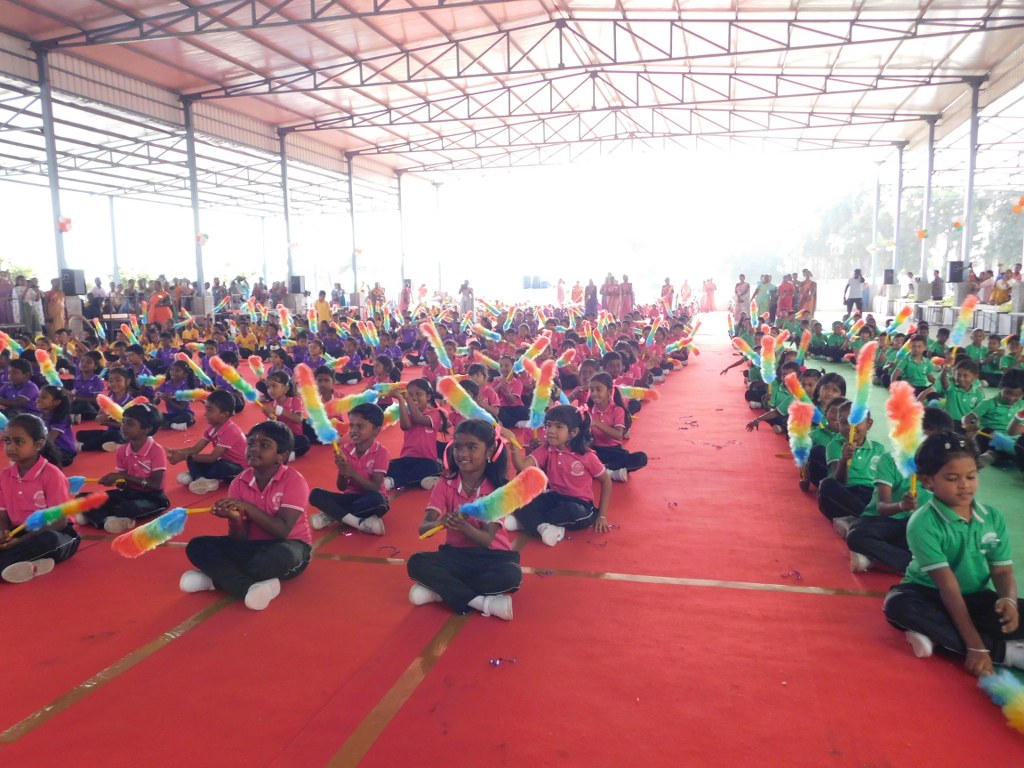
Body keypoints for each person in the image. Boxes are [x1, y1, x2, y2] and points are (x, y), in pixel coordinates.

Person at [881, 432, 1024, 675]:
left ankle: (938, 637)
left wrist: (1008, 600)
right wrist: (975, 646)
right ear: (927, 481)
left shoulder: (992, 517)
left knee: (1013, 613)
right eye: (952, 478)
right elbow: (948, 588)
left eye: (971, 476)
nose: (965, 485)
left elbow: (1001, 571)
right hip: (928, 594)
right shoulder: (922, 523)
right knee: (898, 605)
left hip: (976, 597)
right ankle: (1003, 652)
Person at [182, 420, 311, 611]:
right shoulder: (239, 482)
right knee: (197, 545)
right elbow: (239, 539)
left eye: (264, 445)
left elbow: (282, 530)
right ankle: (249, 587)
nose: (254, 448)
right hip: (252, 546)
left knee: (272, 559)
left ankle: (214, 580)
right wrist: (235, 519)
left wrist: (246, 507)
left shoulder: (294, 481)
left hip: (289, 545)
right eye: (251, 443)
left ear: (281, 456)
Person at [407, 419, 522, 620]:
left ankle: (440, 593)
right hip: (457, 555)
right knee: (416, 562)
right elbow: (423, 529)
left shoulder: (498, 490)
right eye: (458, 446)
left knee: (511, 576)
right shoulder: (445, 483)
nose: (462, 453)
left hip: (493, 557)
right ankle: (482, 602)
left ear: (489, 451)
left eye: (472, 447)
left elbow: (486, 540)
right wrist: (440, 523)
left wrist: (463, 526)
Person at [501, 404, 612, 546]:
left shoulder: (587, 456)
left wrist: (602, 516)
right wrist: (513, 444)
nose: (551, 431)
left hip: (579, 505)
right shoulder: (546, 449)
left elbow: (606, 481)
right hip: (554, 498)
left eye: (558, 427)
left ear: (573, 432)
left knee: (571, 511)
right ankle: (543, 527)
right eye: (548, 425)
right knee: (519, 496)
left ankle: (527, 522)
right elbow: (522, 467)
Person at [0, 414, 78, 583]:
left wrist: (20, 541)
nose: (10, 447)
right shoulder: (5, 476)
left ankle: (11, 563)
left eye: (18, 442)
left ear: (38, 445)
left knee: (47, 541)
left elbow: (59, 522)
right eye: (7, 441)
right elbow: (3, 513)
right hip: (18, 531)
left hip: (55, 532)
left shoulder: (52, 475)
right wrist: (4, 533)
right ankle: (29, 565)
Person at [77, 402, 170, 534]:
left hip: (152, 497)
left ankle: (98, 517)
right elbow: (123, 485)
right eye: (123, 422)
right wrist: (116, 481)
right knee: (83, 497)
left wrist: (123, 476)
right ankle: (106, 519)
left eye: (130, 424)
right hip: (128, 493)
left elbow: (156, 485)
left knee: (127, 507)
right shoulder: (122, 451)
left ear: (147, 429)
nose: (123, 427)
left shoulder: (156, 451)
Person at [308, 403, 389, 535]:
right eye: (351, 426)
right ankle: (360, 523)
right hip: (350, 498)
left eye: (360, 426)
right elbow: (342, 487)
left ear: (376, 430)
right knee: (315, 494)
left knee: (378, 501)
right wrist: (342, 471)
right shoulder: (345, 450)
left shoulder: (381, 452)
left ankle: (333, 515)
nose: (353, 430)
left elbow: (375, 487)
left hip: (370, 498)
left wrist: (351, 473)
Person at [168, 389, 247, 495]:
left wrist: (183, 457)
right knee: (194, 457)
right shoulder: (212, 428)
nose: (205, 414)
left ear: (224, 414)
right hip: (223, 461)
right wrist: (176, 452)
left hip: (239, 470)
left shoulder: (231, 430)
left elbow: (212, 458)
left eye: (210, 410)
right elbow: (195, 449)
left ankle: (200, 476)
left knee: (220, 465)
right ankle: (200, 478)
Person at [384, 379, 448, 490]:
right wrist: (400, 399)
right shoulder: (407, 413)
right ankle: (420, 481)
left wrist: (408, 398)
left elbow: (419, 419)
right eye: (410, 394)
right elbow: (405, 426)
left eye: (418, 394)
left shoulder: (435, 414)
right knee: (383, 466)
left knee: (434, 468)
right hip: (407, 459)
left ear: (428, 396)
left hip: (426, 460)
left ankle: (394, 482)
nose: (414, 397)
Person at [587, 373, 647, 482]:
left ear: (609, 391)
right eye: (591, 390)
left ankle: (602, 470)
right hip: (596, 451)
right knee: (583, 458)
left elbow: (618, 435)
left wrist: (596, 423)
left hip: (614, 451)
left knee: (641, 458)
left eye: (598, 389)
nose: (594, 393)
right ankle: (610, 472)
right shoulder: (588, 411)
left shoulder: (617, 410)